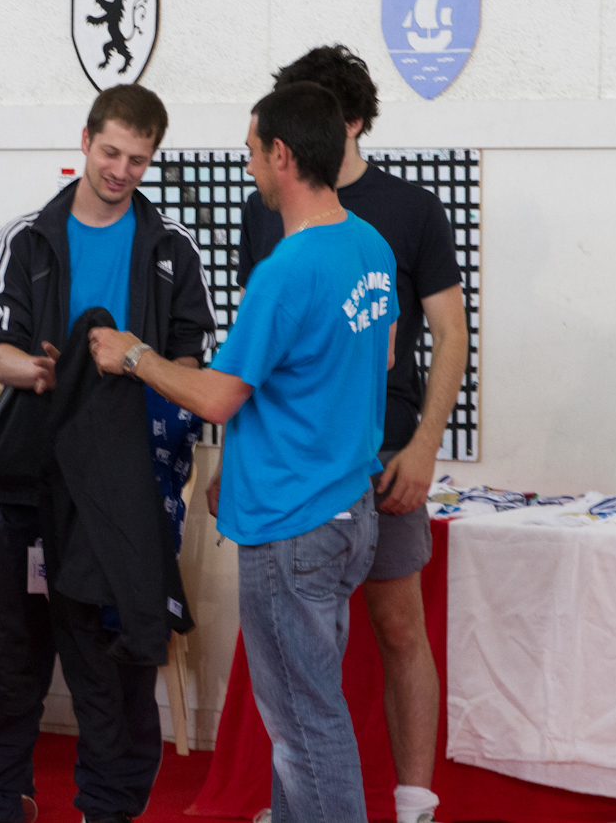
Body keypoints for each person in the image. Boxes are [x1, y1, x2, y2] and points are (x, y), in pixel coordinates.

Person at [90, 81, 399, 823]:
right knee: (306, 715)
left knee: (303, 728)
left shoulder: (286, 270)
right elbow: (381, 355)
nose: (249, 163)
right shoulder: (369, 242)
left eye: (252, 150)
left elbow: (218, 396)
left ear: (281, 155)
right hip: (346, 510)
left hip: (292, 525)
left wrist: (134, 355)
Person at [0, 83, 215, 823]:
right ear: (85, 141)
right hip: (31, 483)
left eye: (138, 159)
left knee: (119, 665)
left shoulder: (171, 248)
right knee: (14, 660)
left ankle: (110, 810)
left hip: (126, 492)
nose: (121, 170)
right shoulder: (25, 238)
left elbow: (192, 368)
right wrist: (43, 372)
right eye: (111, 152)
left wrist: (137, 363)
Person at [237, 45, 465, 823]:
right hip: (291, 470)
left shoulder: (407, 210)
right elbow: (255, 352)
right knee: (304, 670)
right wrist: (235, 457)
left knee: (397, 629)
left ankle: (414, 803)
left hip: (385, 450)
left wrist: (425, 443)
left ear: (352, 122)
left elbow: (448, 331)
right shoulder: (266, 206)